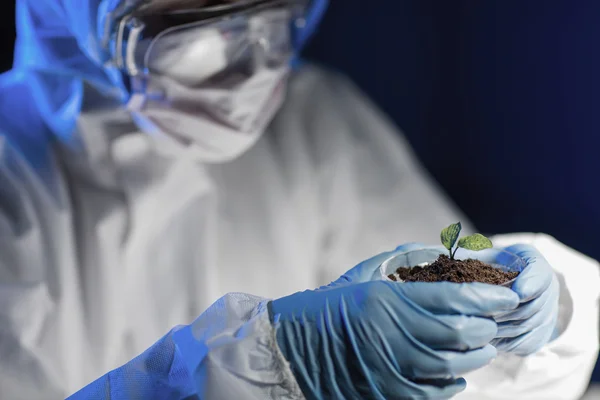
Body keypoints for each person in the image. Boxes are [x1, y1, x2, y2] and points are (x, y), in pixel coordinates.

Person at [0, 0, 598, 399]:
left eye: (281, 18)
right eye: (205, 33)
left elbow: (466, 359)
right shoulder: (14, 177)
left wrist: (538, 319)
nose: (258, 70)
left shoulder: (316, 121)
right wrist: (271, 369)